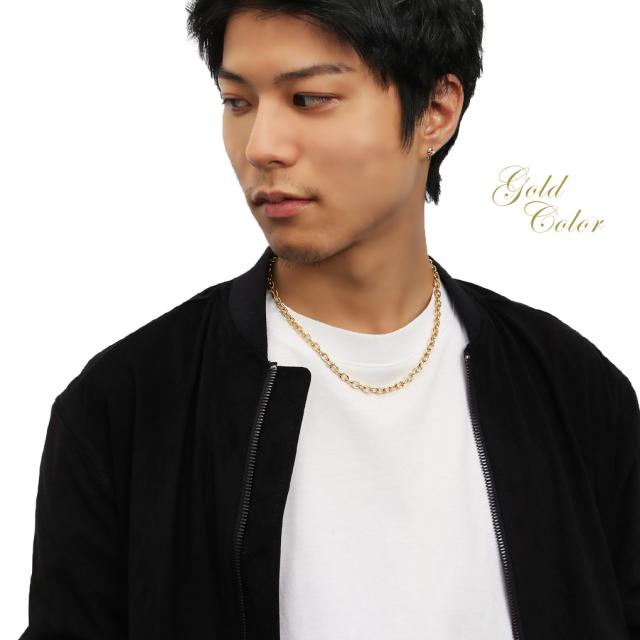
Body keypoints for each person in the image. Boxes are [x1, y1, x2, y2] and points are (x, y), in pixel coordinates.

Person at [19, 1, 639, 639]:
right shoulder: (125, 405)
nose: (262, 146)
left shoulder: (575, 390)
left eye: (309, 99)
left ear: (436, 110)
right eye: (237, 102)